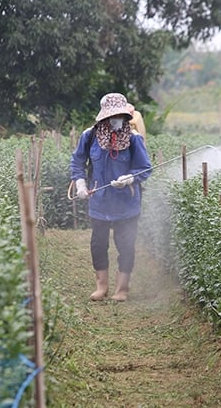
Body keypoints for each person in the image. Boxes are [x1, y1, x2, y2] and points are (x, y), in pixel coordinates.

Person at [70, 93, 152, 302]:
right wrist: (80, 183)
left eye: (120, 116)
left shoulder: (134, 139)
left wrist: (129, 178)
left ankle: (122, 289)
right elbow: (77, 162)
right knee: (98, 244)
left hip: (126, 203)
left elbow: (145, 168)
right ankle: (102, 287)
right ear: (103, 117)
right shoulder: (89, 136)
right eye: (112, 116)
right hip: (99, 201)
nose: (116, 120)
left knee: (125, 244)